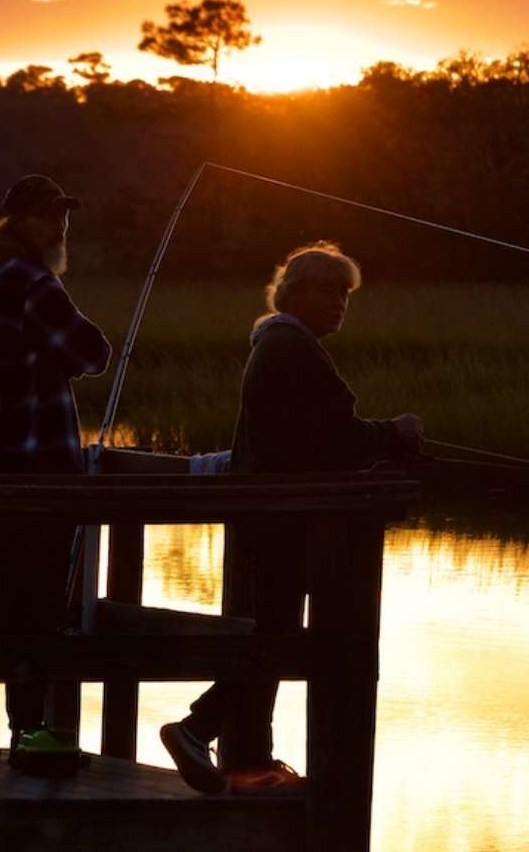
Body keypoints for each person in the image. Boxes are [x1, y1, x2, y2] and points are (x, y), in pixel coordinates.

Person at [160, 241, 422, 795]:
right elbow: (333, 439)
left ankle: (249, 758)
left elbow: (313, 437)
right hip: (282, 522)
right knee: (278, 639)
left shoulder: (281, 345)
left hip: (274, 519)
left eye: (345, 294)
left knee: (273, 632)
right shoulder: (291, 349)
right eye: (328, 291)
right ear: (295, 293)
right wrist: (393, 434)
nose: (339, 303)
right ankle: (195, 727)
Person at [0, 174, 111, 764]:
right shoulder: (33, 281)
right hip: (40, 472)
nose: (61, 225)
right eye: (49, 215)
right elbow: (93, 352)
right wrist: (64, 356)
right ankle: (28, 732)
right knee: (38, 605)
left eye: (63, 214)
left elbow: (45, 352)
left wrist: (51, 356)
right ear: (19, 219)